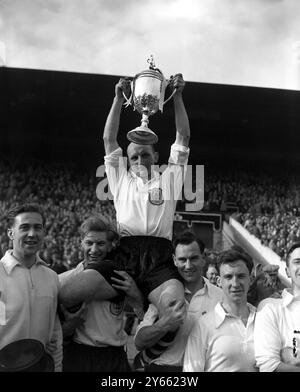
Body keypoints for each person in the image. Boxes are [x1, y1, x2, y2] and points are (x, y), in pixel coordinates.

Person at [101, 73, 190, 315]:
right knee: (69, 291)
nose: (140, 159)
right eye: (134, 156)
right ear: (127, 160)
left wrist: (178, 96)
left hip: (159, 257)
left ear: (156, 157)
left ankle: (144, 328)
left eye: (146, 155)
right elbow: (109, 139)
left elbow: (183, 137)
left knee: (176, 309)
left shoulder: (170, 179)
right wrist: (118, 98)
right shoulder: (120, 179)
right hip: (124, 254)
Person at [58, 215, 144, 372]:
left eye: (101, 244)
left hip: (114, 357)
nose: (94, 250)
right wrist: (68, 327)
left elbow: (142, 315)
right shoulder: (66, 280)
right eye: (89, 243)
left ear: (111, 246)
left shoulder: (122, 277)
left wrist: (136, 295)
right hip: (79, 356)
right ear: (81, 243)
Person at [134, 231, 223, 372]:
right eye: (182, 260)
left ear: (203, 258)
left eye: (193, 258)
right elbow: (139, 342)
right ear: (174, 260)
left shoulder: (220, 297)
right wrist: (164, 324)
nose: (188, 266)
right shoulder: (164, 293)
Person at [0, 203, 62, 372]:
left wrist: (57, 367)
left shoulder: (51, 277)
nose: (32, 234)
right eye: (25, 227)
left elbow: (55, 332)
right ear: (11, 233)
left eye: (38, 228)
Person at [184, 246, 257, 372]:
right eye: (228, 277)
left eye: (241, 276)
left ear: (250, 279)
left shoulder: (264, 320)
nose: (235, 284)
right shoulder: (204, 325)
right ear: (219, 281)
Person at [254, 242, 300, 372]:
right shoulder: (270, 307)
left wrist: (290, 357)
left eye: (275, 274)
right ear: (288, 272)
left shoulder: (279, 288)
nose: (273, 277)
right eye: (297, 262)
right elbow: (269, 365)